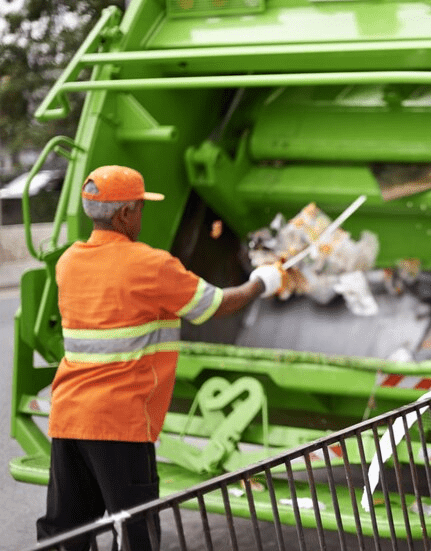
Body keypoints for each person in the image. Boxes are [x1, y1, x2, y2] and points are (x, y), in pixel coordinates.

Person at [35, 165, 287, 550]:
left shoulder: (69, 261)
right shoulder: (149, 265)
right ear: (124, 214)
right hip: (120, 422)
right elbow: (215, 305)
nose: (141, 214)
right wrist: (260, 283)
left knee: (66, 531)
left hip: (69, 417)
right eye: (139, 207)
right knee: (135, 533)